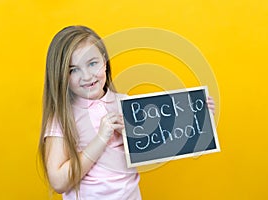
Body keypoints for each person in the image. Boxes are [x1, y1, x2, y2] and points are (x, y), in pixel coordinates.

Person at [38, 25, 215, 200]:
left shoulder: (126, 104)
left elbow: (158, 147)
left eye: (92, 63)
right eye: (73, 69)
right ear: (60, 75)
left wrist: (198, 117)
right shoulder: (62, 118)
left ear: (105, 62)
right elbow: (58, 182)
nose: (86, 76)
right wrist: (101, 139)